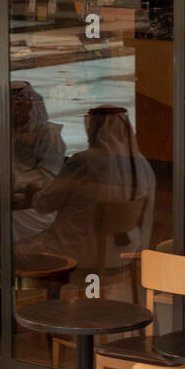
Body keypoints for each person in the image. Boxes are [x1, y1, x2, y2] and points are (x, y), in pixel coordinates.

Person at [21, 106, 156, 275]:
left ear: (95, 128)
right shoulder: (141, 163)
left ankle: (41, 299)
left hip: (79, 253)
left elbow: (45, 205)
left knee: (11, 252)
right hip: (125, 253)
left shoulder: (84, 161)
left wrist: (34, 191)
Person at [0, 81, 65, 244]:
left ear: (30, 105)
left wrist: (15, 182)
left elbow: (49, 174)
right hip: (5, 197)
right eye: (11, 106)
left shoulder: (48, 133)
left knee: (6, 215)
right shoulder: (0, 133)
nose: (15, 110)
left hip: (35, 203)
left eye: (19, 105)